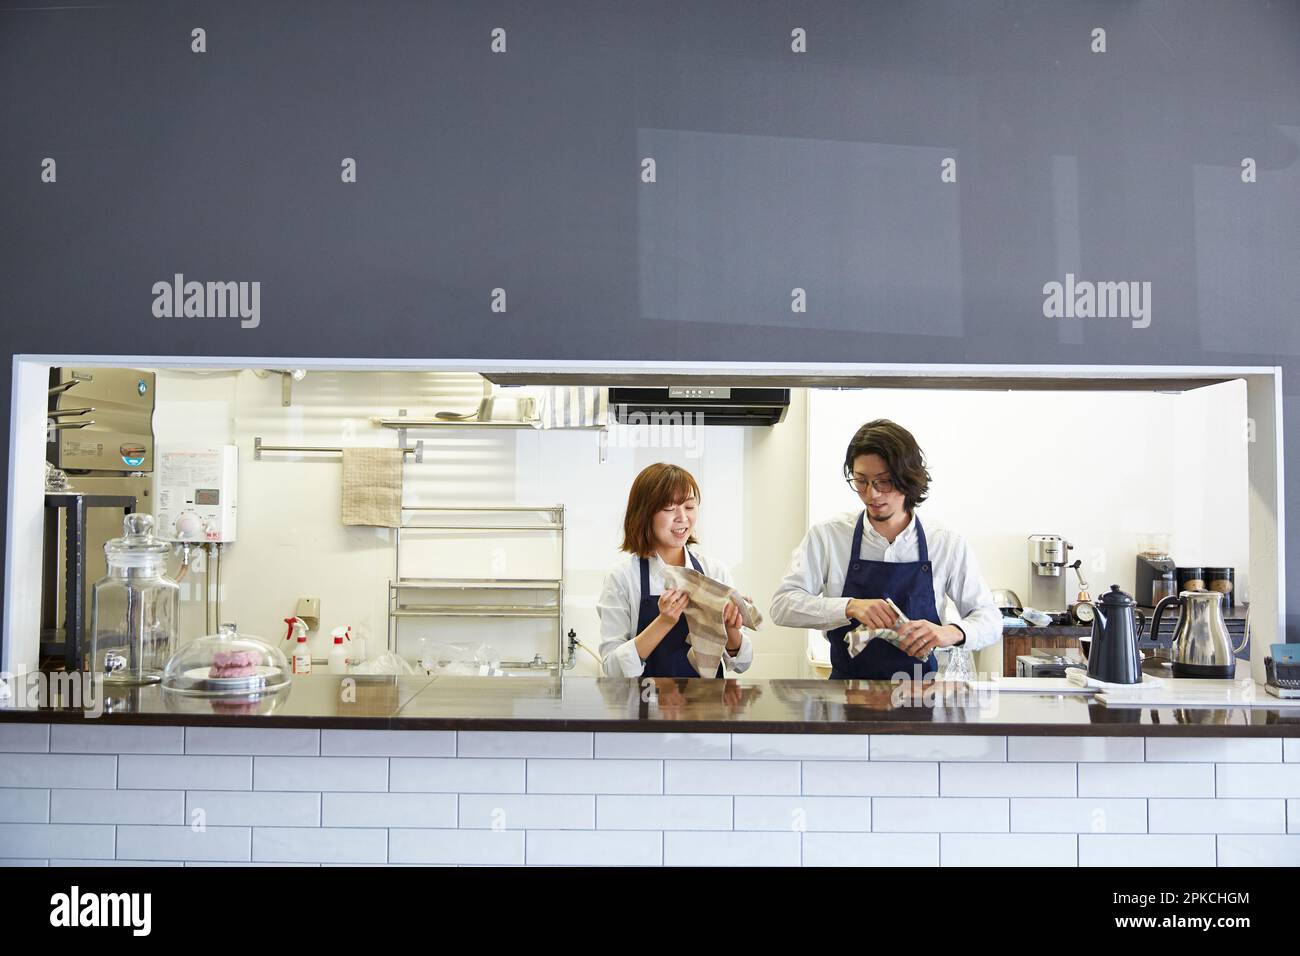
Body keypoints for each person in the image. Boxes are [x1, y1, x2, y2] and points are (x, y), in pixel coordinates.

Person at [771, 419, 999, 679]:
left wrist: (949, 632)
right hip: (845, 694)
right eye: (861, 481)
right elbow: (782, 605)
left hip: (919, 694)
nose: (872, 494)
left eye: (884, 481)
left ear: (908, 478)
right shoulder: (829, 536)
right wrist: (849, 607)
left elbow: (990, 619)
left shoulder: (946, 543)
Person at [597, 463, 754, 677]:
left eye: (689, 507)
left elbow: (742, 663)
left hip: (707, 708)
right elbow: (613, 671)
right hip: (645, 707)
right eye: (670, 508)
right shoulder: (622, 578)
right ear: (645, 514)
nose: (682, 517)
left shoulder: (714, 571)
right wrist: (664, 621)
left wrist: (730, 627)